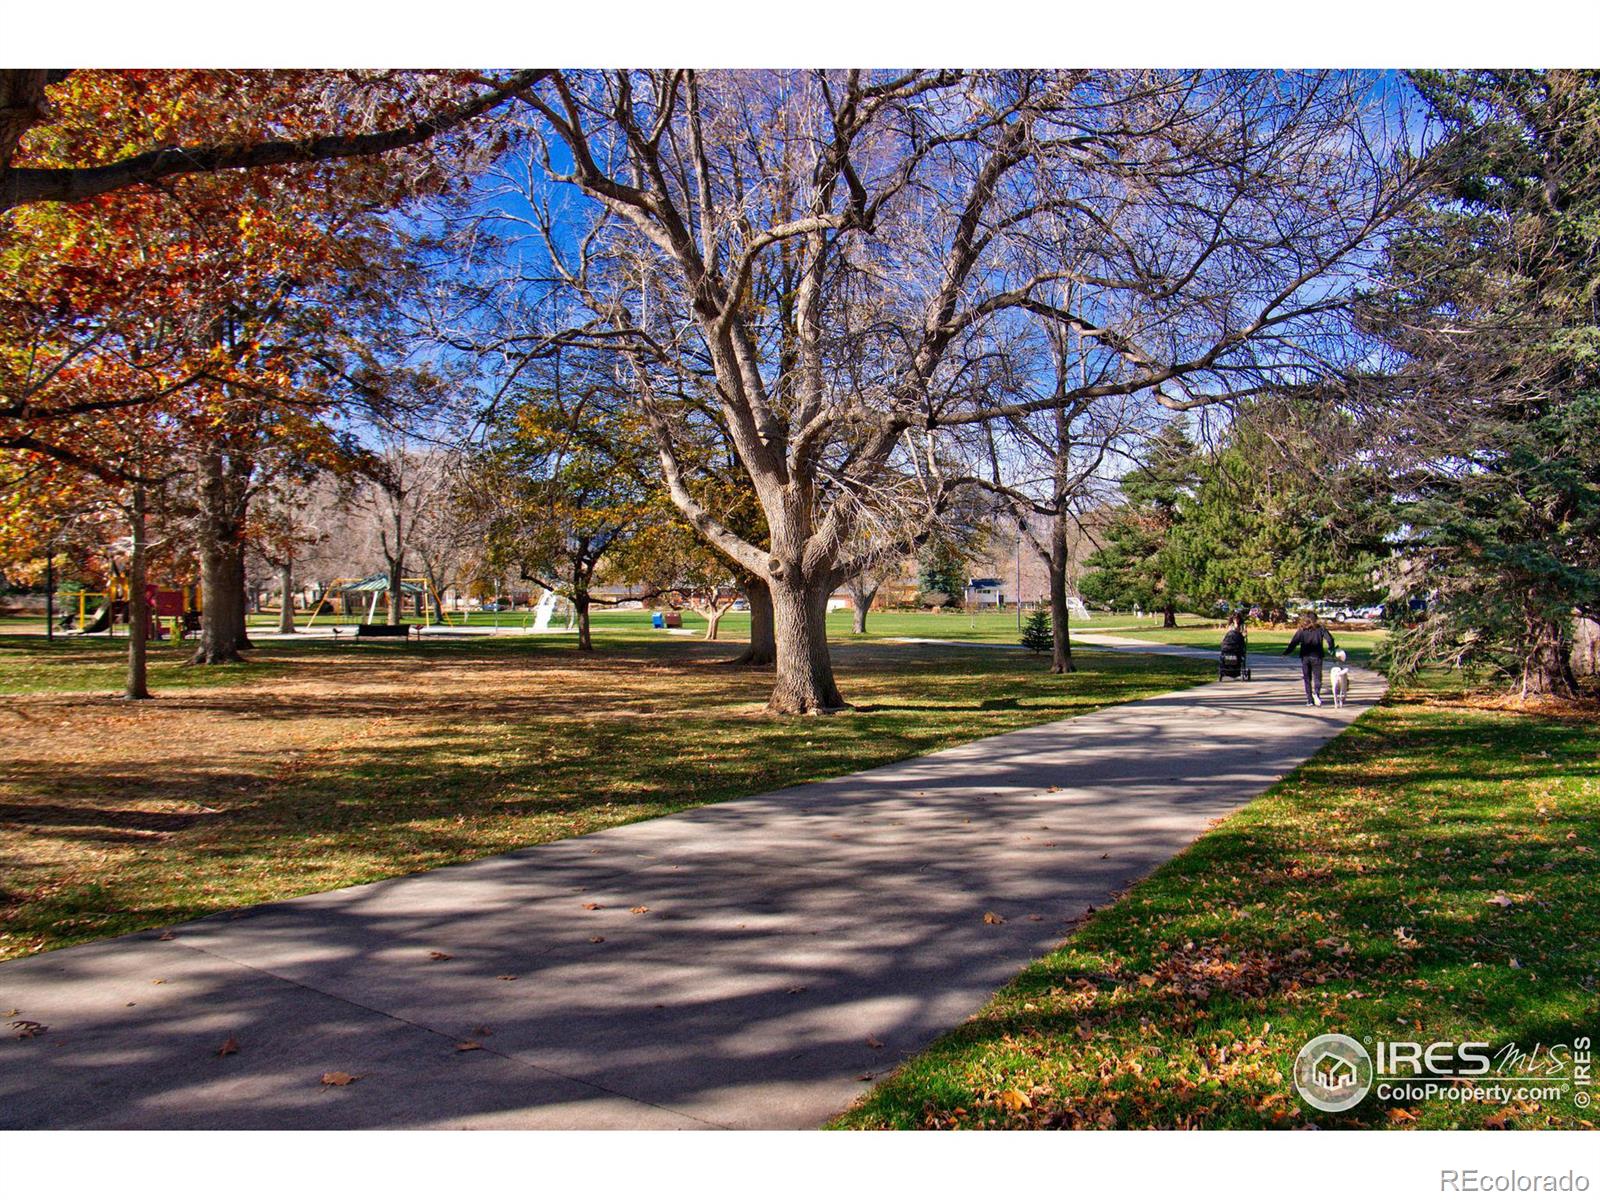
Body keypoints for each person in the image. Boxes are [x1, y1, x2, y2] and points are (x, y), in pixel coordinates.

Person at [1282, 612, 1337, 705]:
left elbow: (1294, 642)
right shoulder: (1321, 629)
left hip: (1305, 656)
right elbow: (1330, 639)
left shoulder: (1302, 630)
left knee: (1307, 678)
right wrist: (1331, 648)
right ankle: (1316, 693)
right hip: (1317, 656)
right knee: (1317, 676)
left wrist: (1286, 652)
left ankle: (1309, 699)